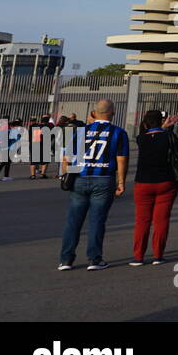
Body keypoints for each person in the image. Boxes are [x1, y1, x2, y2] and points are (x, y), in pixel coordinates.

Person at [59, 99, 129, 270]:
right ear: (113, 113)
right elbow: (122, 160)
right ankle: (94, 258)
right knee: (97, 220)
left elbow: (66, 158)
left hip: (80, 178)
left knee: (73, 221)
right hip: (104, 178)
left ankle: (66, 260)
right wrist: (121, 181)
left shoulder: (81, 131)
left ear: (94, 113)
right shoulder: (118, 133)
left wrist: (72, 173)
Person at [131, 110, 178, 266]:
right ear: (161, 121)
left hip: (143, 182)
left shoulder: (141, 139)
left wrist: (161, 126)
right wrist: (165, 128)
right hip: (166, 181)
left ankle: (138, 256)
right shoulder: (169, 137)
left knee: (142, 220)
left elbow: (150, 133)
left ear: (145, 123)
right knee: (161, 220)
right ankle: (158, 255)